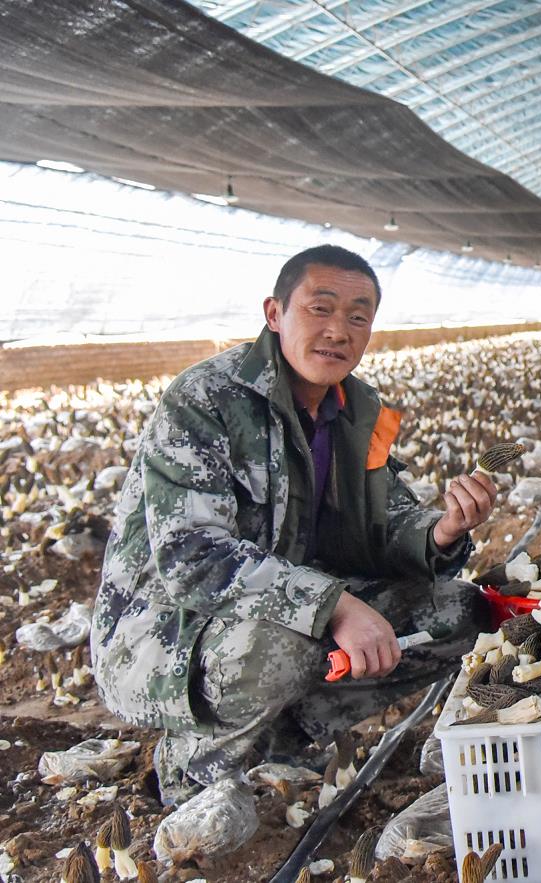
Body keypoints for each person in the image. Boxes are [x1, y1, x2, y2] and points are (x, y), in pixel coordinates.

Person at [91, 245, 497, 804]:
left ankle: (281, 738)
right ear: (275, 313)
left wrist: (441, 531)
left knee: (462, 613)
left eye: (358, 317)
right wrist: (335, 606)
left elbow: (382, 521)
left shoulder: (357, 410)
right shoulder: (206, 400)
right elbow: (192, 557)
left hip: (280, 611)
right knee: (282, 642)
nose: (338, 331)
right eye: (319, 309)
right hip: (167, 633)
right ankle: (193, 772)